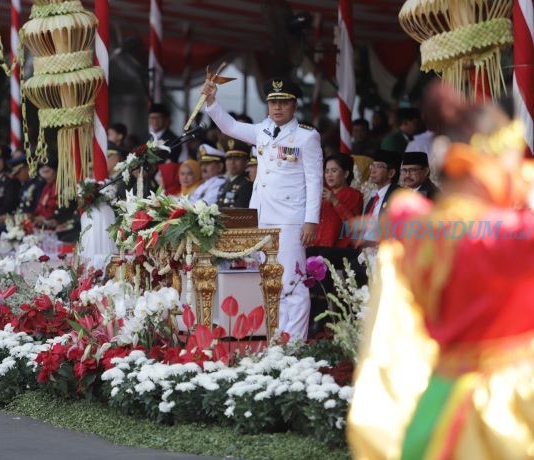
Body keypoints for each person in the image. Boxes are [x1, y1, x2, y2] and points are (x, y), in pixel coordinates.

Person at [349, 115, 534, 459]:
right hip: (511, 404)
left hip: (439, 396)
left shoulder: (419, 227)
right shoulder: (512, 237)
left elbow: (403, 213)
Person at [202, 75, 323, 338]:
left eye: (283, 102)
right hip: (263, 216)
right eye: (272, 103)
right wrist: (211, 101)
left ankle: (296, 343)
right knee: (271, 281)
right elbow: (230, 126)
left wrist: (311, 220)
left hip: (291, 219)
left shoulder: (306, 136)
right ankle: (277, 336)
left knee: (293, 281)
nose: (277, 108)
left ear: (294, 105)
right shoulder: (263, 130)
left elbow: (315, 182)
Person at [313, 154, 363, 247]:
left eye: (334, 171)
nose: (329, 175)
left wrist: (335, 201)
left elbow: (352, 224)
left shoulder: (354, 195)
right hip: (318, 245)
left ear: (346, 174)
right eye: (327, 171)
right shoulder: (324, 194)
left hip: (340, 248)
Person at [216, 138, 253, 208]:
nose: (232, 162)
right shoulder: (223, 185)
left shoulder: (247, 185)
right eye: (229, 159)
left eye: (237, 158)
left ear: (246, 162)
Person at [33, 157, 59, 228]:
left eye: (48, 171)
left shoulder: (64, 188)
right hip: (42, 224)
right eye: (43, 172)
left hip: (55, 224)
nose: (45, 176)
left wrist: (46, 219)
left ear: (56, 171)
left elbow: (62, 212)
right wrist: (36, 217)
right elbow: (40, 206)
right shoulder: (47, 187)